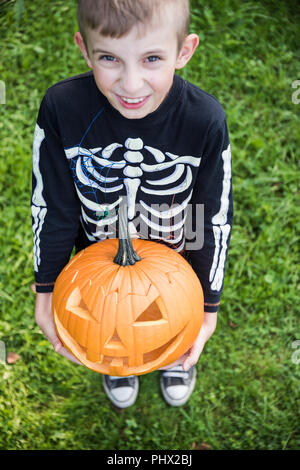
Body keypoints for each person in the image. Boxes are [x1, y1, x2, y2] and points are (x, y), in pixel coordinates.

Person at [31, 0, 233, 409]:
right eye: (110, 58)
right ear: (84, 49)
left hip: (176, 268)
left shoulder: (204, 120)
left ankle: (174, 353)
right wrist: (46, 287)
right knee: (108, 325)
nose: (132, 83)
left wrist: (206, 308)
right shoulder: (62, 109)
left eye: (152, 58)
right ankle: (114, 355)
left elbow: (213, 217)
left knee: (170, 321)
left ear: (184, 51)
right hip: (96, 264)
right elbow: (52, 205)